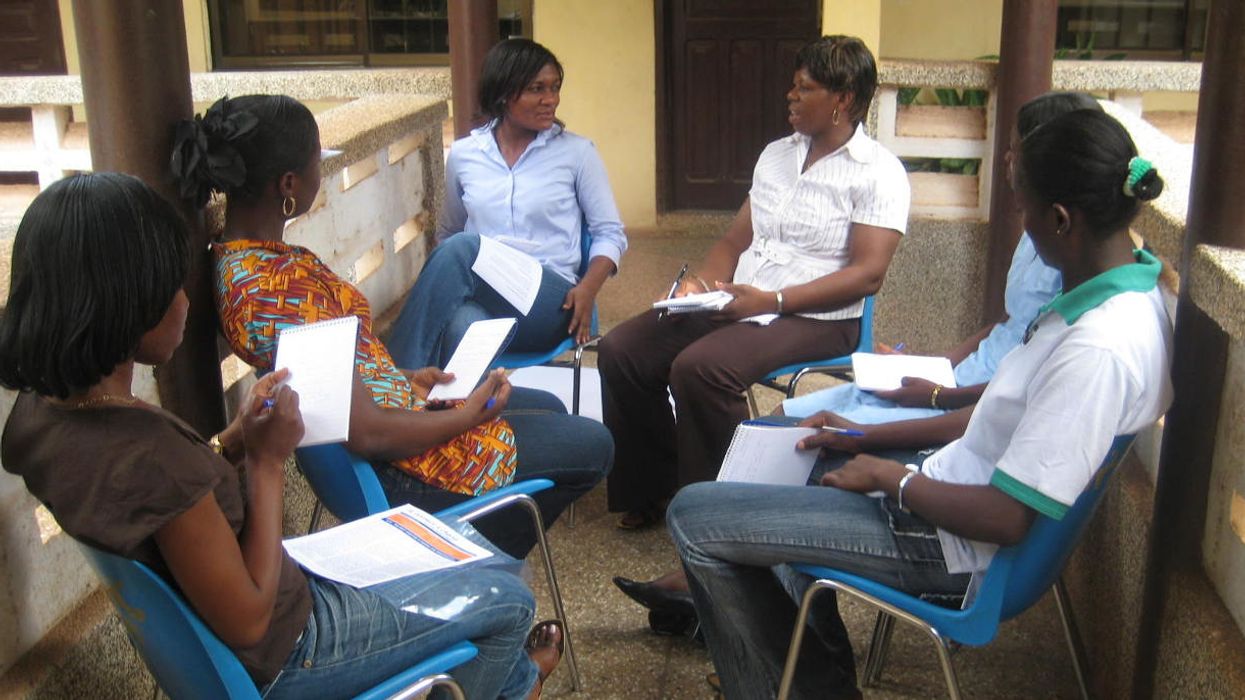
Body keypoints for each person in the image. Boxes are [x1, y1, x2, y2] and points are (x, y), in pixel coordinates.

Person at [666, 108, 1172, 699]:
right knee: (789, 456)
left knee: (695, 517)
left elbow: (1007, 518)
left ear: (1061, 219)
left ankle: (783, 685)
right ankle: (811, 684)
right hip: (942, 497)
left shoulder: (1099, 349)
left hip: (948, 544)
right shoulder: (1117, 297)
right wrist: (864, 436)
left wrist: (892, 479)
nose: (1023, 226)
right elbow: (1003, 419)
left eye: (1023, 209)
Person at [0, 172, 564, 699]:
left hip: (242, 619)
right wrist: (268, 463)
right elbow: (249, 618)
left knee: (466, 565)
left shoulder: (40, 420)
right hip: (295, 645)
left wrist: (237, 439)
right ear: (131, 302)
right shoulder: (150, 454)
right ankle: (516, 685)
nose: (187, 300)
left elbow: (167, 506)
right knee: (507, 599)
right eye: (175, 285)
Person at [613, 93, 1101, 630]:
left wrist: (921, 417)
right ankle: (725, 600)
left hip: (942, 494)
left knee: (777, 453)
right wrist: (937, 366)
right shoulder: (1058, 254)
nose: (1007, 165)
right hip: (948, 403)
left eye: (1014, 154)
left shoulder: (1092, 335)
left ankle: (716, 594)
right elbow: (1008, 328)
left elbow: (1006, 434)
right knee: (778, 437)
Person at [171, 94, 612, 560]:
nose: (322, 173)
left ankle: (480, 549)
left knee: (548, 405)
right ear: (288, 184)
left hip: (394, 414)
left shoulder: (253, 263)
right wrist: (468, 417)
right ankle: (474, 562)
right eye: (317, 162)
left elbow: (333, 380)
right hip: (402, 470)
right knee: (595, 445)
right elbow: (368, 434)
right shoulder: (276, 289)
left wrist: (403, 377)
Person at [599, 35, 911, 530]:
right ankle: (658, 487)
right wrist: (699, 286)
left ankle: (728, 516)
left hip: (819, 317)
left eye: (804, 88)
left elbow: (867, 274)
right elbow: (733, 241)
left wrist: (773, 300)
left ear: (843, 100)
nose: (790, 97)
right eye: (792, 86)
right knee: (623, 348)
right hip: (744, 301)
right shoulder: (776, 156)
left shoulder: (879, 173)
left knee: (701, 368)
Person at [385, 38, 627, 368]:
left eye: (555, 88)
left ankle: (392, 380)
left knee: (463, 248)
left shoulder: (578, 153)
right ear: (503, 92)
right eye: (537, 89)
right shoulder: (465, 155)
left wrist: (588, 288)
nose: (551, 99)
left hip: (551, 303)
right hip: (486, 299)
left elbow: (610, 233)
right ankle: (478, 416)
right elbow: (448, 231)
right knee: (462, 326)